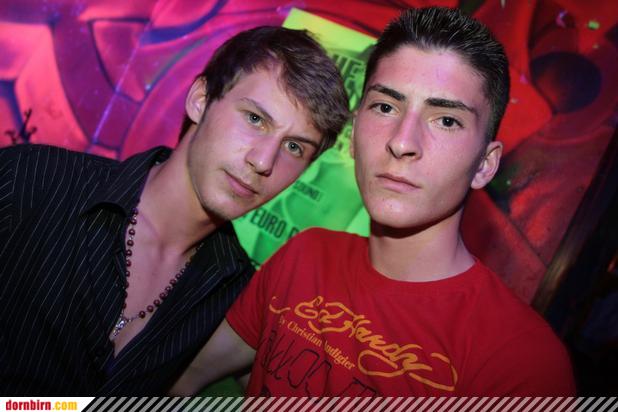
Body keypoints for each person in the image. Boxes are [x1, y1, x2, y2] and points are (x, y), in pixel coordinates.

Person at [171, 7, 576, 396]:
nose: (402, 141)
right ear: (355, 131)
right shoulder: (305, 257)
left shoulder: (521, 361)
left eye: (446, 120)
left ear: (485, 165)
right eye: (385, 107)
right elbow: (178, 379)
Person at [0, 26, 349, 395]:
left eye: (294, 147)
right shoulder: (31, 180)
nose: (264, 161)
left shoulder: (233, 295)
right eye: (254, 119)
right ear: (200, 100)